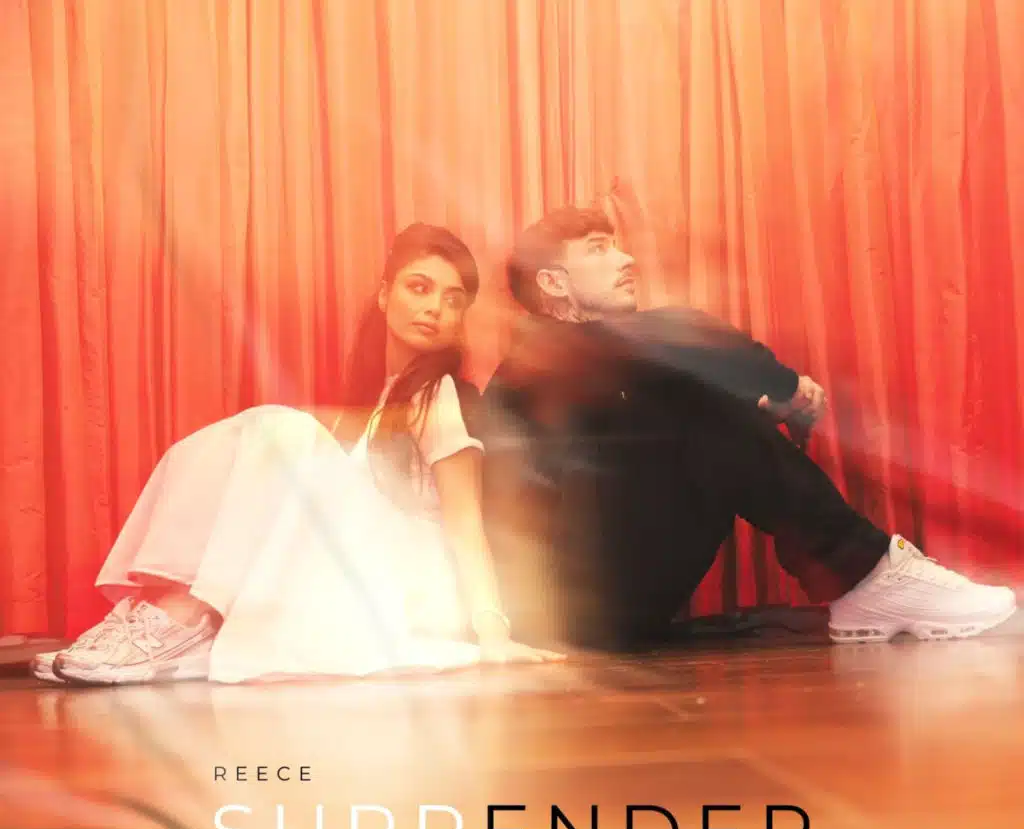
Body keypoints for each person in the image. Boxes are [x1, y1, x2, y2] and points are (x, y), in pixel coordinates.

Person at [33, 224, 561, 685]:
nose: (434, 308)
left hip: (411, 588)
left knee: (281, 429)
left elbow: (465, 525)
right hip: (362, 570)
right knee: (271, 439)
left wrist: (493, 632)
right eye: (419, 288)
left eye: (453, 299)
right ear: (384, 295)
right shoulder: (377, 399)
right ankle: (180, 624)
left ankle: (184, 619)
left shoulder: (438, 395)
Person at [480, 197, 1016, 651]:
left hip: (613, 603)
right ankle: (870, 575)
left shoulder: (609, 364)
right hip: (564, 617)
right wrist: (784, 388)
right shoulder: (536, 361)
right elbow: (690, 334)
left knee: (707, 403)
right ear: (552, 282)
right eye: (598, 249)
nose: (627, 259)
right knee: (706, 403)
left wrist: (757, 402)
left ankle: (866, 577)